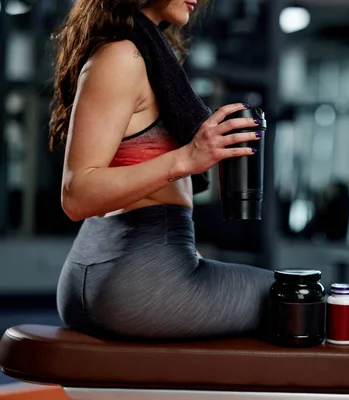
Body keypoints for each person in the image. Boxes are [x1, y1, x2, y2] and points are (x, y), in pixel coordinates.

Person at [49, 0, 274, 340]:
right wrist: (186, 158)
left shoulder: (143, 54)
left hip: (111, 271)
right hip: (138, 279)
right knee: (302, 299)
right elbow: (76, 194)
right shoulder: (124, 56)